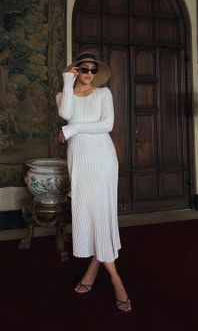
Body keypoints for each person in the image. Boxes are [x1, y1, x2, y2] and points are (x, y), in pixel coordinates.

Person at [55, 51, 132, 313]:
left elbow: (107, 125)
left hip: (102, 158)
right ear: (75, 70)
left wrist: (72, 129)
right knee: (87, 213)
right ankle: (93, 267)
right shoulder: (63, 96)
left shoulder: (103, 94)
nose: (89, 74)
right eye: (83, 69)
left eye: (92, 70)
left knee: (101, 213)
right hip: (79, 159)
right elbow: (67, 113)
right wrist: (67, 82)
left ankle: (116, 280)